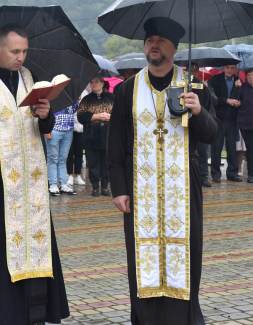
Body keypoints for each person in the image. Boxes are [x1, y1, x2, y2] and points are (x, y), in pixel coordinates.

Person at [107, 17, 220, 325]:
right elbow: (115, 144)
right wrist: (118, 188)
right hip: (139, 189)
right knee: (141, 257)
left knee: (185, 253)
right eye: (149, 41)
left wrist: (198, 110)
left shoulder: (194, 86)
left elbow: (212, 135)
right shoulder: (128, 90)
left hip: (183, 188)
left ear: (174, 47)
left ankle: (184, 317)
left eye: (160, 41)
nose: (153, 45)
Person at [0, 24, 69, 325]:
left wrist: (47, 116)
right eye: (15, 51)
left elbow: (41, 129)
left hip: (30, 186)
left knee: (34, 250)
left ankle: (32, 313)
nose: (21, 57)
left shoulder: (30, 80)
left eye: (25, 51)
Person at [77, 73, 114, 197]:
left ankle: (105, 187)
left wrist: (110, 117)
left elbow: (120, 113)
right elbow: (80, 116)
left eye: (96, 82)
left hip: (108, 137)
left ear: (102, 83)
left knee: (106, 163)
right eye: (91, 82)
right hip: (91, 137)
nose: (94, 84)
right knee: (93, 163)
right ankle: (95, 187)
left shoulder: (111, 97)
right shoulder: (86, 99)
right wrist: (95, 116)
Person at [208, 64, 242, 182]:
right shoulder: (215, 80)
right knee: (216, 148)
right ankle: (216, 174)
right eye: (227, 67)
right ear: (222, 68)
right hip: (218, 119)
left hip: (232, 119)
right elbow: (212, 98)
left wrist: (238, 99)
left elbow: (242, 97)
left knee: (232, 148)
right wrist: (227, 101)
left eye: (232, 68)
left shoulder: (239, 81)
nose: (229, 70)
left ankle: (232, 173)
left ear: (235, 69)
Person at [45, 103, 79, 196]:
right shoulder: (52, 92)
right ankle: (53, 184)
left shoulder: (70, 94)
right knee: (52, 158)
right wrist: (47, 128)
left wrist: (77, 101)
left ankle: (63, 184)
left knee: (63, 158)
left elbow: (74, 109)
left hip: (68, 128)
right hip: (54, 128)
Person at [190, 63, 216, 187]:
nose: (193, 72)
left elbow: (212, 101)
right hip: (188, 124)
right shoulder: (182, 84)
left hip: (202, 121)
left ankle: (204, 176)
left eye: (196, 69)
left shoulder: (203, 85)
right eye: (191, 70)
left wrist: (206, 90)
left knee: (203, 152)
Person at [66, 89, 88, 187]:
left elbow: (86, 111)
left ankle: (78, 175)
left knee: (79, 152)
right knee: (70, 153)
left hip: (80, 128)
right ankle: (70, 174)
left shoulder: (85, 94)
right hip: (68, 127)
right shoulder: (67, 92)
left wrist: (80, 101)